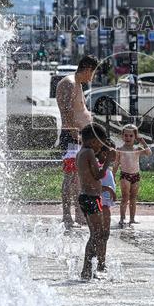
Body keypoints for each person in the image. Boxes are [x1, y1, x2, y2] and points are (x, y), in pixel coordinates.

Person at [56, 55, 98, 228]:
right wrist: (75, 134)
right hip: (72, 137)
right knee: (71, 176)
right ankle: (67, 216)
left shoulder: (78, 84)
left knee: (79, 179)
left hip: (80, 137)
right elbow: (66, 110)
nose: (93, 77)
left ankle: (79, 215)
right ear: (88, 69)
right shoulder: (70, 83)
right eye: (93, 72)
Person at [76, 123, 114, 279]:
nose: (101, 146)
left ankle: (90, 267)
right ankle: (86, 268)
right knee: (97, 234)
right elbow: (98, 175)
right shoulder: (89, 152)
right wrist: (108, 161)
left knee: (97, 233)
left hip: (88, 197)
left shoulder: (82, 152)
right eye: (100, 143)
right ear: (93, 141)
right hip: (91, 198)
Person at [117, 124, 151, 228]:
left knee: (133, 197)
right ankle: (122, 218)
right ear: (122, 136)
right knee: (125, 197)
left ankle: (132, 218)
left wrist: (143, 142)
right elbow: (116, 163)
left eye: (131, 136)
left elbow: (149, 153)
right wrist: (113, 175)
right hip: (125, 176)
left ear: (135, 137)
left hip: (135, 176)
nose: (128, 138)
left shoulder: (137, 149)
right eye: (126, 135)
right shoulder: (120, 149)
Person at [96, 141, 116, 270]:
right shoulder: (98, 166)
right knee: (101, 234)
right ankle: (99, 261)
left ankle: (101, 261)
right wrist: (109, 189)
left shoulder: (106, 166)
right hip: (100, 204)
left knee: (106, 234)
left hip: (106, 204)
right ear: (104, 153)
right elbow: (93, 184)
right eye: (112, 153)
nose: (115, 155)